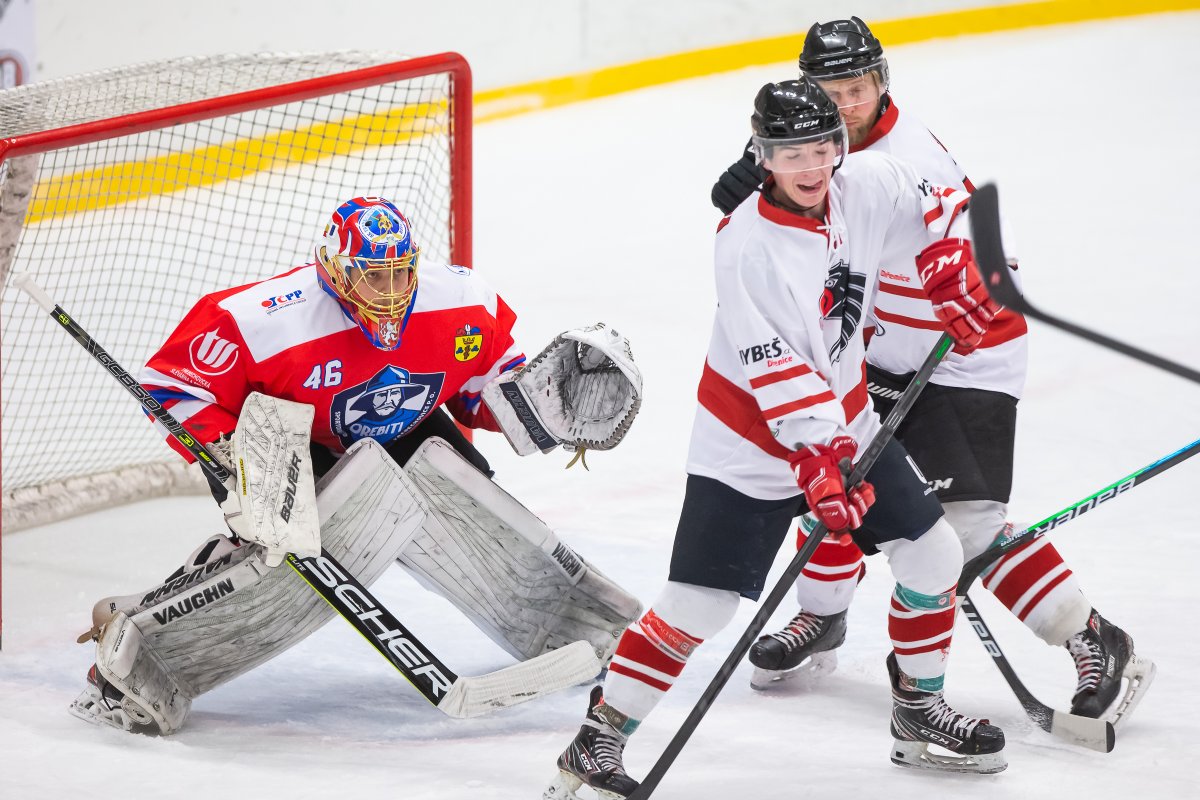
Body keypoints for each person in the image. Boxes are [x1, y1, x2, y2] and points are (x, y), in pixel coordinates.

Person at [545, 77, 1011, 800]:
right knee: (699, 606)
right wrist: (820, 460)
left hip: (848, 424)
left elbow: (945, 205)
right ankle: (597, 739)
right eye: (793, 153)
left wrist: (955, 265)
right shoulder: (747, 245)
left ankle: (918, 711)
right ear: (762, 157)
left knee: (932, 551)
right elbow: (781, 371)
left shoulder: (866, 183)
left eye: (824, 147)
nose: (813, 165)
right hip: (750, 444)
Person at [711, 17, 1154, 725]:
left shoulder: (913, 155)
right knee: (833, 475)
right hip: (878, 350)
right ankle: (822, 614)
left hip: (964, 355)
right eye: (829, 91)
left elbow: (981, 234)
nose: (844, 106)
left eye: (857, 90)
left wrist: (975, 276)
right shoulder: (815, 149)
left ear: (882, 84)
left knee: (967, 529)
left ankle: (1094, 636)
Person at [69, 196, 643, 735]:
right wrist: (233, 458)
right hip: (291, 444)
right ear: (337, 271)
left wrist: (543, 408)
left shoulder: (464, 302)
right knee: (309, 557)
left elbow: (479, 392)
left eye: (400, 273)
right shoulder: (260, 319)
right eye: (374, 275)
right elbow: (171, 387)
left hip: (402, 427)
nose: (390, 292)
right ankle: (142, 653)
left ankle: (578, 625)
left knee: (463, 501)